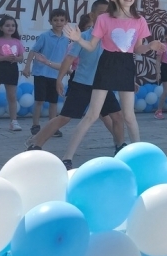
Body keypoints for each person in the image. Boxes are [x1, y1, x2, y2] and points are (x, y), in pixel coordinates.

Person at [63, 0, 165, 153]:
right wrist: (78, 39)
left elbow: (138, 48)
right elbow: (91, 46)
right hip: (107, 64)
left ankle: (138, 156)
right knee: (92, 115)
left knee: (129, 116)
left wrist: (150, 46)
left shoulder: (139, 20)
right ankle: (67, 156)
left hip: (127, 65)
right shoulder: (104, 19)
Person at [27, 13, 125, 168]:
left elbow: (120, 62)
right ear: (94, 17)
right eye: (102, 15)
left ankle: (121, 148)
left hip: (103, 85)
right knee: (65, 118)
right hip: (82, 84)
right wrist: (59, 79)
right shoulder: (84, 36)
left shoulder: (114, 37)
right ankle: (36, 143)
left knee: (117, 116)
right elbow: (69, 59)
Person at [22, 8, 70, 136]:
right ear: (50, 21)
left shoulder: (67, 40)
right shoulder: (44, 36)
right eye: (55, 20)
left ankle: (52, 127)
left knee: (53, 102)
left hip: (55, 75)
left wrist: (68, 70)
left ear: (66, 22)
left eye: (61, 20)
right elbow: (33, 51)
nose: (58, 23)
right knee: (40, 100)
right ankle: (35, 125)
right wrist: (27, 67)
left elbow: (67, 57)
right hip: (41, 73)